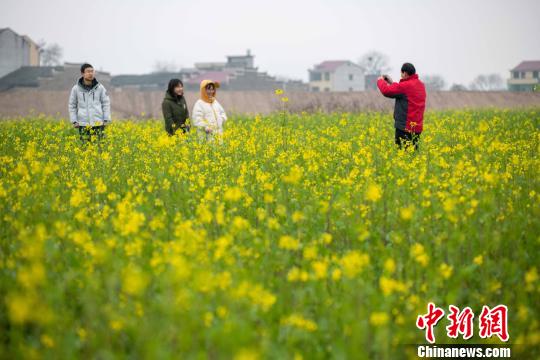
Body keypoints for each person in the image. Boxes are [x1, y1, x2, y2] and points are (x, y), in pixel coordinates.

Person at [377, 63, 426, 150]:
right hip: (417, 128)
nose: (401, 75)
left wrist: (380, 80)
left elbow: (386, 91)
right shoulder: (421, 85)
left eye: (401, 73)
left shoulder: (405, 86)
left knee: (401, 154)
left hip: (404, 127)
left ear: (405, 73)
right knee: (413, 156)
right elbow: (404, 93)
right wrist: (392, 82)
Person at [68, 63, 111, 143]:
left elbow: (106, 103)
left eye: (92, 71)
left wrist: (106, 119)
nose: (91, 73)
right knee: (85, 149)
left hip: (98, 124)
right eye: (88, 71)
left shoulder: (100, 88)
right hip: (83, 124)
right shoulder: (76, 89)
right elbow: (72, 105)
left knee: (99, 147)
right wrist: (74, 120)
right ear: (82, 73)